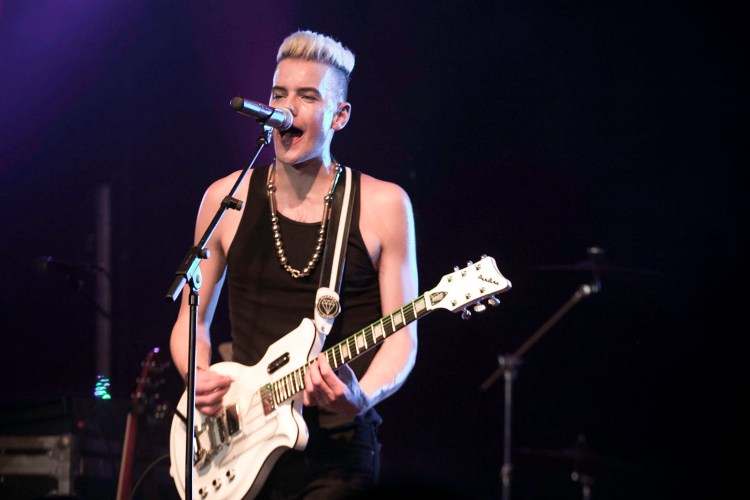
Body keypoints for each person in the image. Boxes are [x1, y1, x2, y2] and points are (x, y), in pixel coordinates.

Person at [169, 29, 419, 499]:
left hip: (334, 451)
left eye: (308, 96)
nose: (288, 108)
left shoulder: (384, 205)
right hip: (240, 441)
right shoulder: (225, 198)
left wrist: (361, 397)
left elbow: (402, 339)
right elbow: (191, 319)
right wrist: (196, 375)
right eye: (279, 94)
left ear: (340, 115)